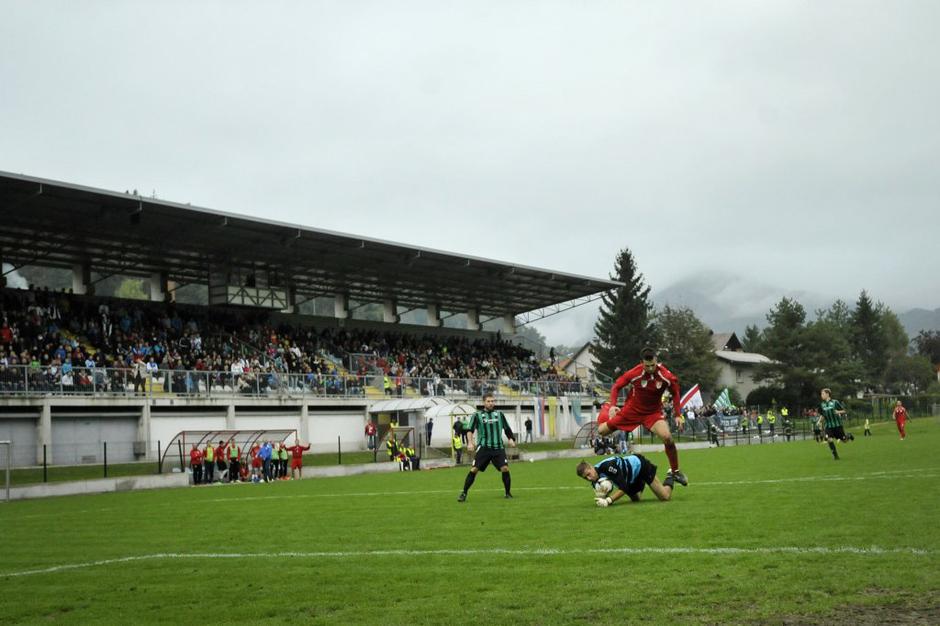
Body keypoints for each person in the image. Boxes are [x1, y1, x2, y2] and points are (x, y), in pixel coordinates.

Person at [598, 347, 688, 486]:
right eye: (647, 366)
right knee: (601, 431)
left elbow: (675, 393)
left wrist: (678, 414)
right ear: (642, 363)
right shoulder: (635, 373)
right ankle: (604, 406)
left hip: (652, 413)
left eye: (653, 365)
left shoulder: (666, 376)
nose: (651, 368)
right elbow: (616, 386)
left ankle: (675, 471)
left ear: (656, 361)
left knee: (667, 437)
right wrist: (612, 405)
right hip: (631, 411)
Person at [457, 392, 516, 502]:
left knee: (505, 468)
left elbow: (507, 428)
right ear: (484, 402)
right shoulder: (477, 415)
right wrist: (470, 442)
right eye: (488, 401)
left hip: (498, 447)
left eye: (492, 401)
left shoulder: (499, 414)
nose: (491, 403)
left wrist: (511, 438)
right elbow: (470, 430)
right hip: (484, 448)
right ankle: (464, 493)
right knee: (474, 469)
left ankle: (508, 493)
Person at [576, 454, 673, 507]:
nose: (589, 478)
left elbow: (624, 488)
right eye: (585, 478)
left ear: (591, 467)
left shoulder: (607, 466)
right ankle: (641, 482)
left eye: (588, 474)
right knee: (636, 499)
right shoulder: (594, 482)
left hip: (640, 465)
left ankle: (671, 474)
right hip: (630, 477)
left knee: (665, 497)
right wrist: (603, 496)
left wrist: (608, 501)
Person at [819, 388, 854, 460]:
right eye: (821, 394)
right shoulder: (822, 404)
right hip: (828, 425)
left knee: (844, 440)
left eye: (822, 394)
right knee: (829, 439)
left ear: (827, 394)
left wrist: (838, 412)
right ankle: (835, 456)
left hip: (837, 425)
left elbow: (844, 411)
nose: (821, 395)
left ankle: (848, 435)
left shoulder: (835, 402)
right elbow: (823, 415)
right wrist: (819, 421)